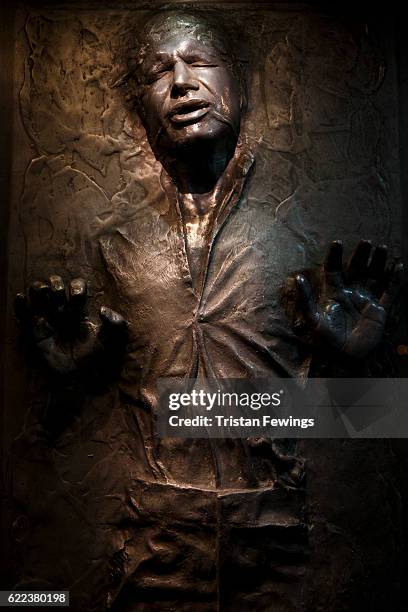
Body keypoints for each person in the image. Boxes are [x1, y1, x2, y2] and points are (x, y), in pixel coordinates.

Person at [14, 10, 403, 611]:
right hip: (155, 550)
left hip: (279, 553)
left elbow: (375, 427)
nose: (180, 82)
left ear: (239, 84)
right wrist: (71, 383)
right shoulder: (115, 252)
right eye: (156, 73)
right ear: (138, 110)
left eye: (198, 62)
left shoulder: (300, 247)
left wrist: (356, 367)